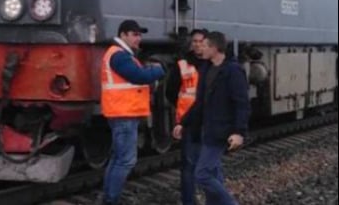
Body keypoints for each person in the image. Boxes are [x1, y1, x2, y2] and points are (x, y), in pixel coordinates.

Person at [173, 31, 249, 205]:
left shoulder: (233, 70)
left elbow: (242, 104)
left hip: (221, 130)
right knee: (213, 173)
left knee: (202, 174)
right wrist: (183, 123)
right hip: (206, 129)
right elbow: (200, 102)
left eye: (205, 45)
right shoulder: (206, 69)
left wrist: (239, 132)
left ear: (215, 48)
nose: (200, 48)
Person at [100, 19, 166, 205]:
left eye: (139, 35)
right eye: (135, 34)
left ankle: (108, 197)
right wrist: (159, 70)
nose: (139, 38)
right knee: (126, 161)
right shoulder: (120, 56)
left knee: (118, 158)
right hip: (123, 114)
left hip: (122, 113)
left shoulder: (121, 54)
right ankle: (111, 200)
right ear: (123, 35)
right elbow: (139, 77)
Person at [165, 29, 208, 205]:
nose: (197, 45)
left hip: (209, 121)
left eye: (201, 41)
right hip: (188, 122)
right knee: (189, 165)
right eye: (195, 41)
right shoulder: (183, 64)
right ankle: (189, 201)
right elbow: (171, 91)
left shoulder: (214, 63)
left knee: (210, 163)